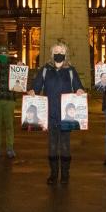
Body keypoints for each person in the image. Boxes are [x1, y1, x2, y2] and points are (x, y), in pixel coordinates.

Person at [29, 42, 84, 185]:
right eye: (56, 51)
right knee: (52, 145)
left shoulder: (71, 70)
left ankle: (65, 175)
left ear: (65, 53)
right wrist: (32, 91)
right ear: (52, 54)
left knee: (65, 145)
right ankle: (53, 174)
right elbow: (36, 86)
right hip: (50, 113)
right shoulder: (45, 69)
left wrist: (79, 91)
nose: (58, 53)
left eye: (61, 50)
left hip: (66, 114)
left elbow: (78, 86)